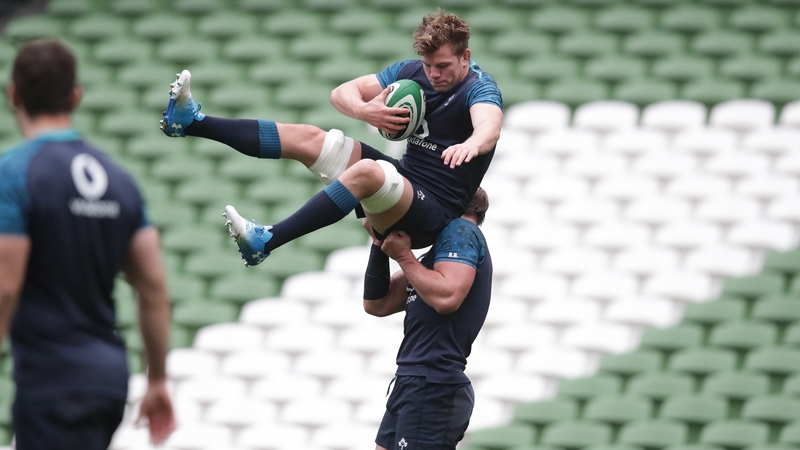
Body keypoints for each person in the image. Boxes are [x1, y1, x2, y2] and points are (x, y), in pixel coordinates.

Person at [158, 9, 502, 266]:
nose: (433, 74)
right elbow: (342, 93)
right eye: (428, 65)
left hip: (432, 213)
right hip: (404, 180)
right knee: (310, 138)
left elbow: (489, 125)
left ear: (465, 57)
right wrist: (365, 111)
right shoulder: (412, 72)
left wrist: (472, 143)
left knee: (369, 170)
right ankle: (190, 123)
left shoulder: (479, 88)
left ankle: (266, 240)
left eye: (442, 65)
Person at [0, 40, 175, 449]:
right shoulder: (119, 179)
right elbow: (152, 285)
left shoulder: (14, 174)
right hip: (108, 378)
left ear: (14, 96)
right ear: (75, 96)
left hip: (50, 377)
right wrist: (158, 379)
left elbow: (6, 287)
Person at [363, 186, 491, 450]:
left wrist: (403, 256)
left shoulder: (461, 231)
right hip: (415, 380)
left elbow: (446, 299)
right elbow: (377, 303)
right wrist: (379, 243)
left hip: (432, 382)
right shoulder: (435, 256)